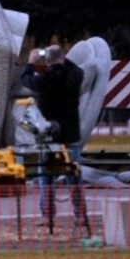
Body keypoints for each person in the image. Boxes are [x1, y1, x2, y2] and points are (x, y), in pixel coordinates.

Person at [21, 45, 88, 227]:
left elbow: (26, 79)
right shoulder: (75, 76)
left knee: (46, 175)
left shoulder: (46, 79)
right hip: (70, 132)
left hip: (49, 134)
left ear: (47, 61)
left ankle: (47, 216)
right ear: (63, 58)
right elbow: (75, 68)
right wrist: (59, 57)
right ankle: (80, 215)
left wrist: (31, 63)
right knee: (74, 174)